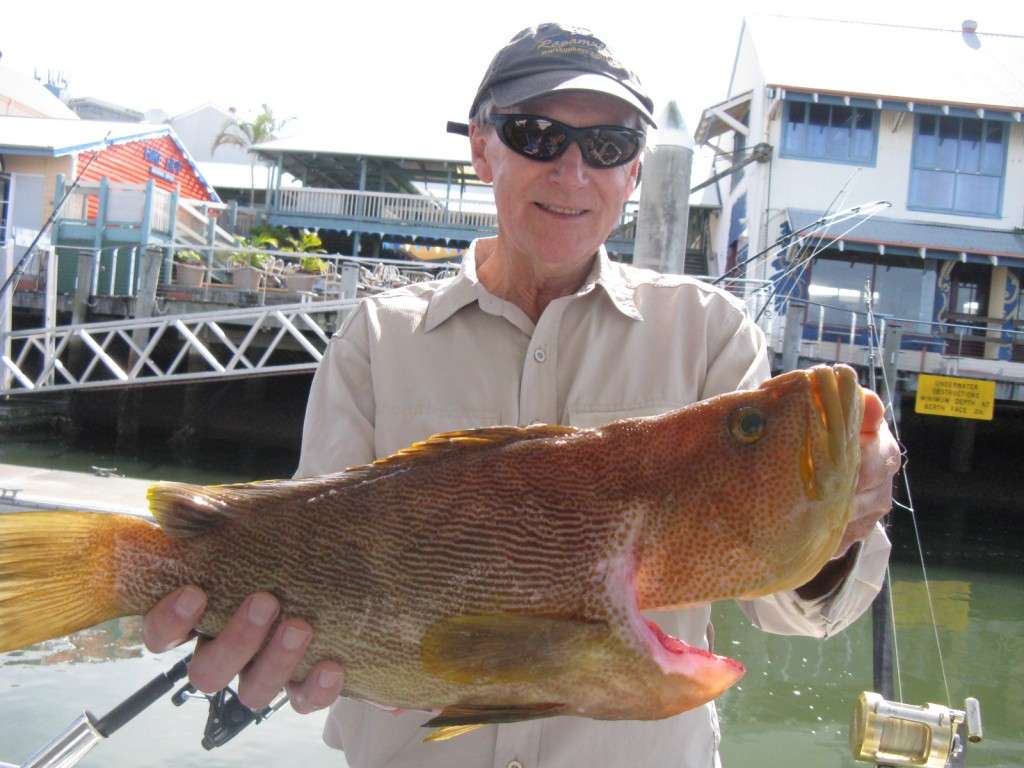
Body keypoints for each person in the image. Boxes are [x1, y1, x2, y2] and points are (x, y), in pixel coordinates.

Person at [143, 23, 901, 767]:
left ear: (634, 173)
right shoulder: (378, 338)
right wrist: (268, 657)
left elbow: (782, 603)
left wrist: (840, 525)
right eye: (538, 134)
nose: (572, 172)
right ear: (482, 146)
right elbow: (309, 564)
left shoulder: (709, 335)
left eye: (608, 147)